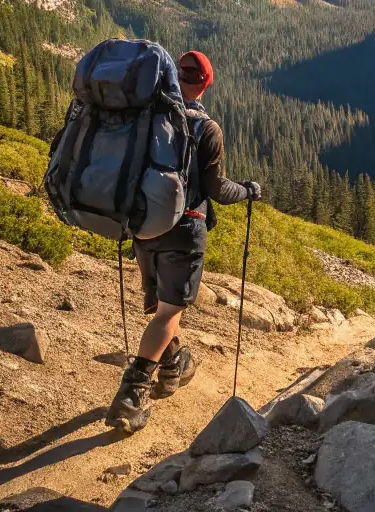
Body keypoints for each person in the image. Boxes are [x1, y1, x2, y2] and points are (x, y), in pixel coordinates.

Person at [105, 49, 261, 433]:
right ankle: (132, 392)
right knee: (169, 312)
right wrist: (249, 190)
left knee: (162, 304)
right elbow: (217, 190)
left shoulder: (147, 116)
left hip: (144, 227)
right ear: (206, 83)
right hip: (184, 230)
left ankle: (174, 367)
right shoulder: (206, 129)